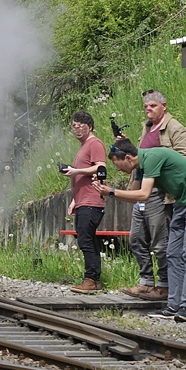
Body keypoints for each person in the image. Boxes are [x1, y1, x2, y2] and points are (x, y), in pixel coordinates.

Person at [97, 136, 186, 322]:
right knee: (172, 253)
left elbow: (144, 194)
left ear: (128, 158)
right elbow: (134, 196)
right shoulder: (140, 167)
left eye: (117, 164)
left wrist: (111, 191)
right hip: (181, 202)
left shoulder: (151, 158)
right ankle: (173, 305)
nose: (117, 169)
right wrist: (108, 191)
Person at [121, 90, 186, 302]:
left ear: (164, 106)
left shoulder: (174, 127)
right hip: (142, 189)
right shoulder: (146, 128)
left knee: (160, 241)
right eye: (146, 107)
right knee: (136, 237)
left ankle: (165, 285)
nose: (148, 110)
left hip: (160, 192)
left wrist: (161, 171)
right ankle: (145, 281)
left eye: (153, 106)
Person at [59, 111, 108, 293]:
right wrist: (75, 200)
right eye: (74, 125)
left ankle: (91, 279)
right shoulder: (84, 146)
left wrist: (76, 171)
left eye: (81, 125)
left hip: (91, 201)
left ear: (90, 127)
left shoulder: (94, 143)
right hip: (83, 200)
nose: (77, 129)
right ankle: (93, 279)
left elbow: (101, 167)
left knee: (86, 239)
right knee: (87, 239)